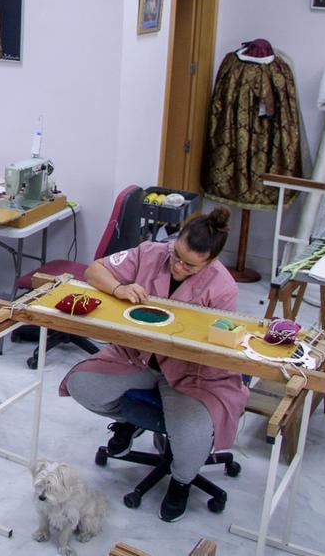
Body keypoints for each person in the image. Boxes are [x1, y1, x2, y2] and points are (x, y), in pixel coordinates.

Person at [62, 206, 248, 523]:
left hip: (192, 374)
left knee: (190, 451)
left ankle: (180, 483)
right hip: (139, 357)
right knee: (81, 385)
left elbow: (217, 342)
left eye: (189, 265)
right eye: (176, 255)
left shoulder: (223, 287)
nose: (177, 266)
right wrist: (120, 288)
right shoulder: (151, 252)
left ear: (210, 262)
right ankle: (131, 423)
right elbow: (94, 271)